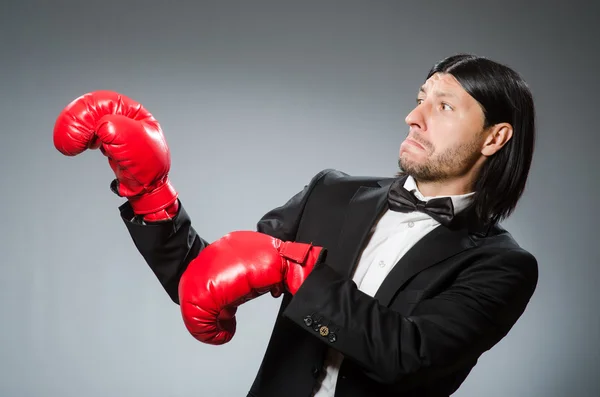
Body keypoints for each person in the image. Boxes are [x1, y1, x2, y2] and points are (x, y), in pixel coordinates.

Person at [53, 53, 538, 397]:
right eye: (419, 99)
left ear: (494, 137)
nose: (413, 117)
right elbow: (203, 278)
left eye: (444, 106)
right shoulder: (332, 193)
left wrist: (297, 270)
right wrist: (151, 191)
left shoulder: (503, 265)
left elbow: (409, 357)